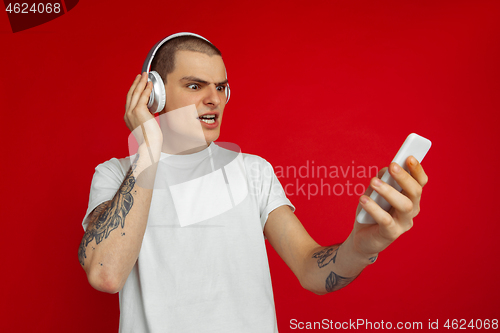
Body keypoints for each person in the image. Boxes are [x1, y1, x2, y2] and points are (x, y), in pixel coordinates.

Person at [78, 33, 428, 333]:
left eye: (221, 87)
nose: (214, 98)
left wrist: (363, 246)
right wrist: (149, 148)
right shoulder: (114, 175)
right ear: (154, 93)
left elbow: (311, 271)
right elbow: (106, 274)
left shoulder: (252, 171)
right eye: (195, 85)